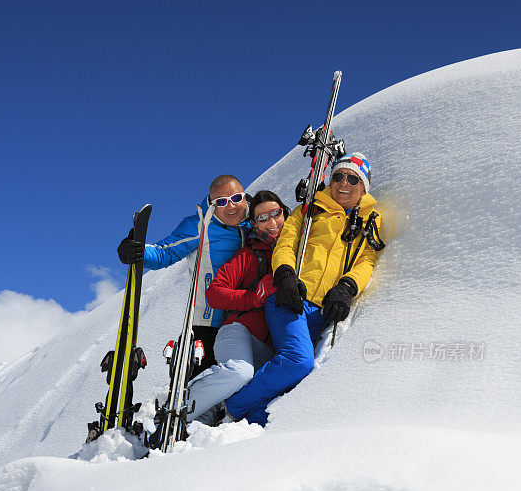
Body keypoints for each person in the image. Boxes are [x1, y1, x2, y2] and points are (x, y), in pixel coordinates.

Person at [225, 153, 384, 426]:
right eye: (338, 176)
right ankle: (234, 405)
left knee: (296, 378)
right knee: (299, 361)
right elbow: (286, 242)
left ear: (363, 187)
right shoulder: (311, 209)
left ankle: (249, 422)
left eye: (352, 178)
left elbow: (366, 259)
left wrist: (347, 287)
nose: (343, 183)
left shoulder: (369, 220)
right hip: (289, 298)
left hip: (322, 310)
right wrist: (285, 274)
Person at [117, 175, 248, 371]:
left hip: (246, 322)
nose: (231, 207)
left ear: (245, 196)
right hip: (208, 324)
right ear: (212, 204)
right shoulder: (199, 226)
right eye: (221, 202)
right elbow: (166, 251)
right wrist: (138, 251)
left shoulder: (256, 221)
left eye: (236, 198)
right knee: (198, 389)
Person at [185, 190, 289, 423]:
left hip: (270, 347)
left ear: (285, 213)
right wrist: (253, 298)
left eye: (276, 214)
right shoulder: (251, 255)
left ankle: (189, 435)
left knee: (222, 408)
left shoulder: (299, 251)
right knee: (240, 372)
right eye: (262, 218)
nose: (271, 222)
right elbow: (215, 293)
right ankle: (177, 407)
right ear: (254, 224)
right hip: (238, 331)